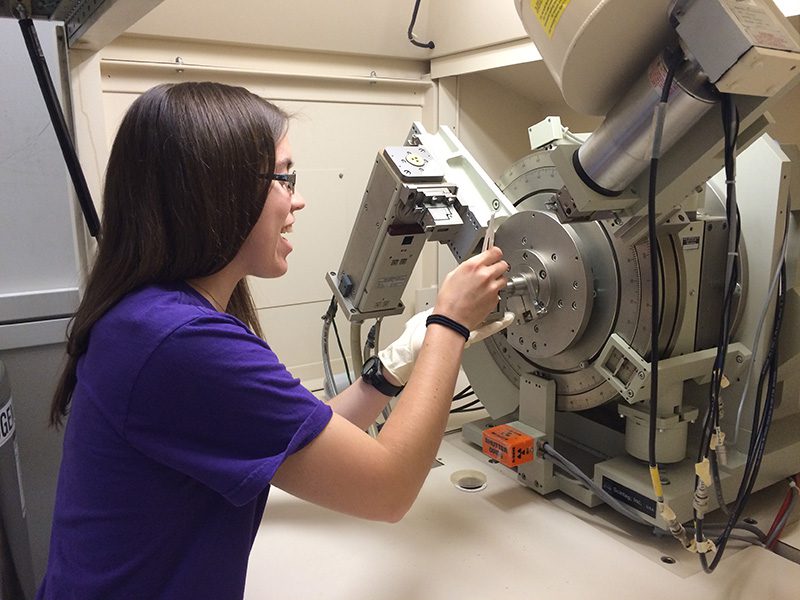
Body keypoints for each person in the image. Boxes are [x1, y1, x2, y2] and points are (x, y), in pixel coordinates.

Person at [36, 81, 508, 599]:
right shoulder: (180, 343)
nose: (299, 199)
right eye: (284, 178)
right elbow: (389, 490)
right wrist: (450, 324)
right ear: (214, 190)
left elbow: (300, 435)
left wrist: (393, 365)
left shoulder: (151, 316)